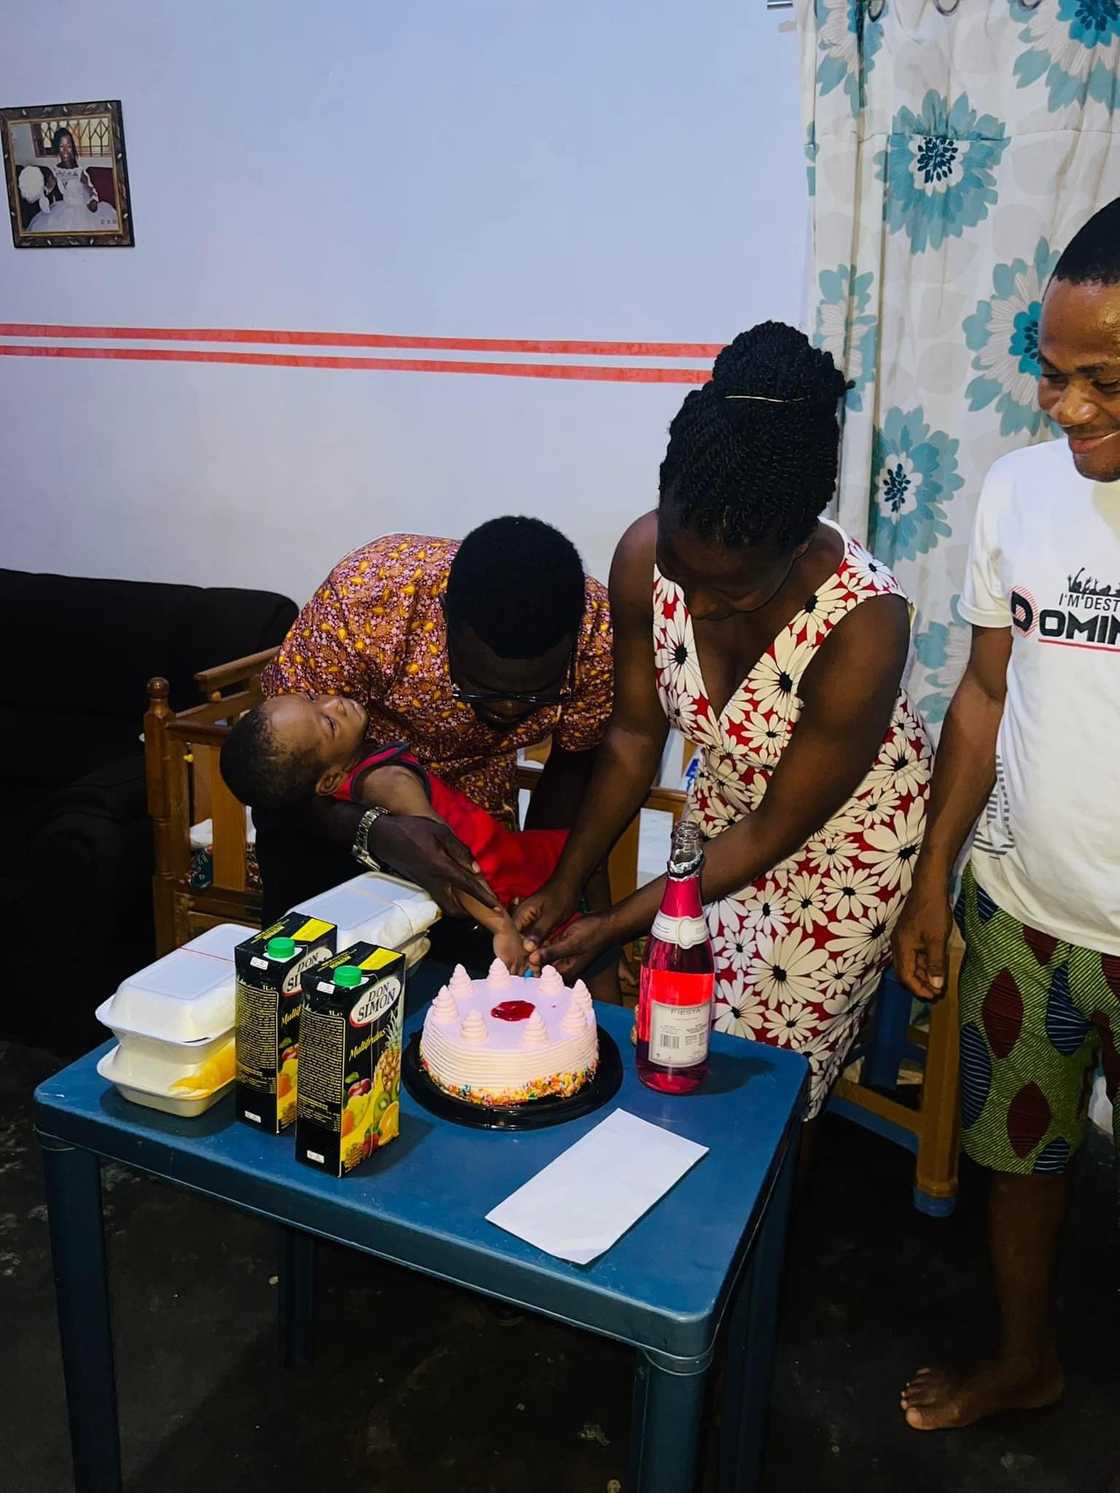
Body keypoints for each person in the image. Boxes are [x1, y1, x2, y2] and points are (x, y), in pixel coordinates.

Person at [515, 323, 932, 1121]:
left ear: (799, 536)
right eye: (682, 570)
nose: (695, 604)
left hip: (842, 849)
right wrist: (566, 885)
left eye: (731, 593)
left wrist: (613, 922)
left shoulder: (864, 623)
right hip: (722, 821)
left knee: (760, 1084)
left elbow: (777, 828)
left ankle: (757, 1228)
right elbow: (636, 738)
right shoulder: (643, 557)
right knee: (677, 1035)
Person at [894, 198, 1120, 1432]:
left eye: (1105, 381)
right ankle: (1025, 1356)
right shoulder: (1017, 492)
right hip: (1023, 909)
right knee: (1015, 1152)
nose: (1069, 407)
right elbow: (983, 693)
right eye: (1052, 373)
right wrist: (936, 880)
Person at [256, 516, 612, 928]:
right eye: (481, 688)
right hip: (333, 812)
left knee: (461, 977)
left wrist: (541, 882)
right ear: (445, 622)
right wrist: (377, 830)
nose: (512, 711)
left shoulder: (597, 636)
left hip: (473, 815)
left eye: (538, 694)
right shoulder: (365, 598)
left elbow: (570, 768)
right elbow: (277, 771)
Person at [221, 692, 573, 971]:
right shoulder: (387, 782)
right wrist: (502, 928)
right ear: (328, 780)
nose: (334, 702)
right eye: (328, 723)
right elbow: (447, 860)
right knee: (573, 872)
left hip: (503, 857)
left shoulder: (353, 778)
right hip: (501, 876)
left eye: (313, 699)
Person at [27, 127, 119, 232]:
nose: (65, 151)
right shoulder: (55, 171)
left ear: (73, 148)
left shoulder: (80, 172)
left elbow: (92, 190)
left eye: (69, 146)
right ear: (57, 148)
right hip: (63, 209)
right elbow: (48, 188)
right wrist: (37, 192)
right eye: (62, 146)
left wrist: (94, 200)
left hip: (83, 210)